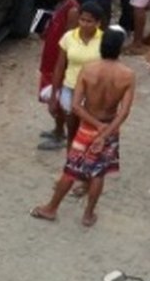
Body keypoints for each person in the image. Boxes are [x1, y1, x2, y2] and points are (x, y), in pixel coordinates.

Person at [31, 28, 135, 226]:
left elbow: (76, 106)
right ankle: (88, 215)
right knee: (98, 173)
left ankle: (51, 208)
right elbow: (124, 112)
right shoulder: (128, 75)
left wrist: (95, 125)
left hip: (87, 127)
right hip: (110, 127)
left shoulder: (88, 69)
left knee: (71, 170)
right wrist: (105, 131)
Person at [49, 1, 106, 143]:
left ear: (98, 23)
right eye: (82, 19)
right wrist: (54, 95)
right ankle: (71, 160)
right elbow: (59, 66)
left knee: (89, 131)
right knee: (72, 129)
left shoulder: (104, 40)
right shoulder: (68, 37)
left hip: (93, 91)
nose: (84, 24)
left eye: (89, 21)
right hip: (70, 87)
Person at [37, 0, 80, 150]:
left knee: (58, 98)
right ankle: (58, 129)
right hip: (50, 57)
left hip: (58, 61)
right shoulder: (61, 4)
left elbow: (69, 41)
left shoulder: (72, 10)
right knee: (52, 96)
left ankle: (60, 134)